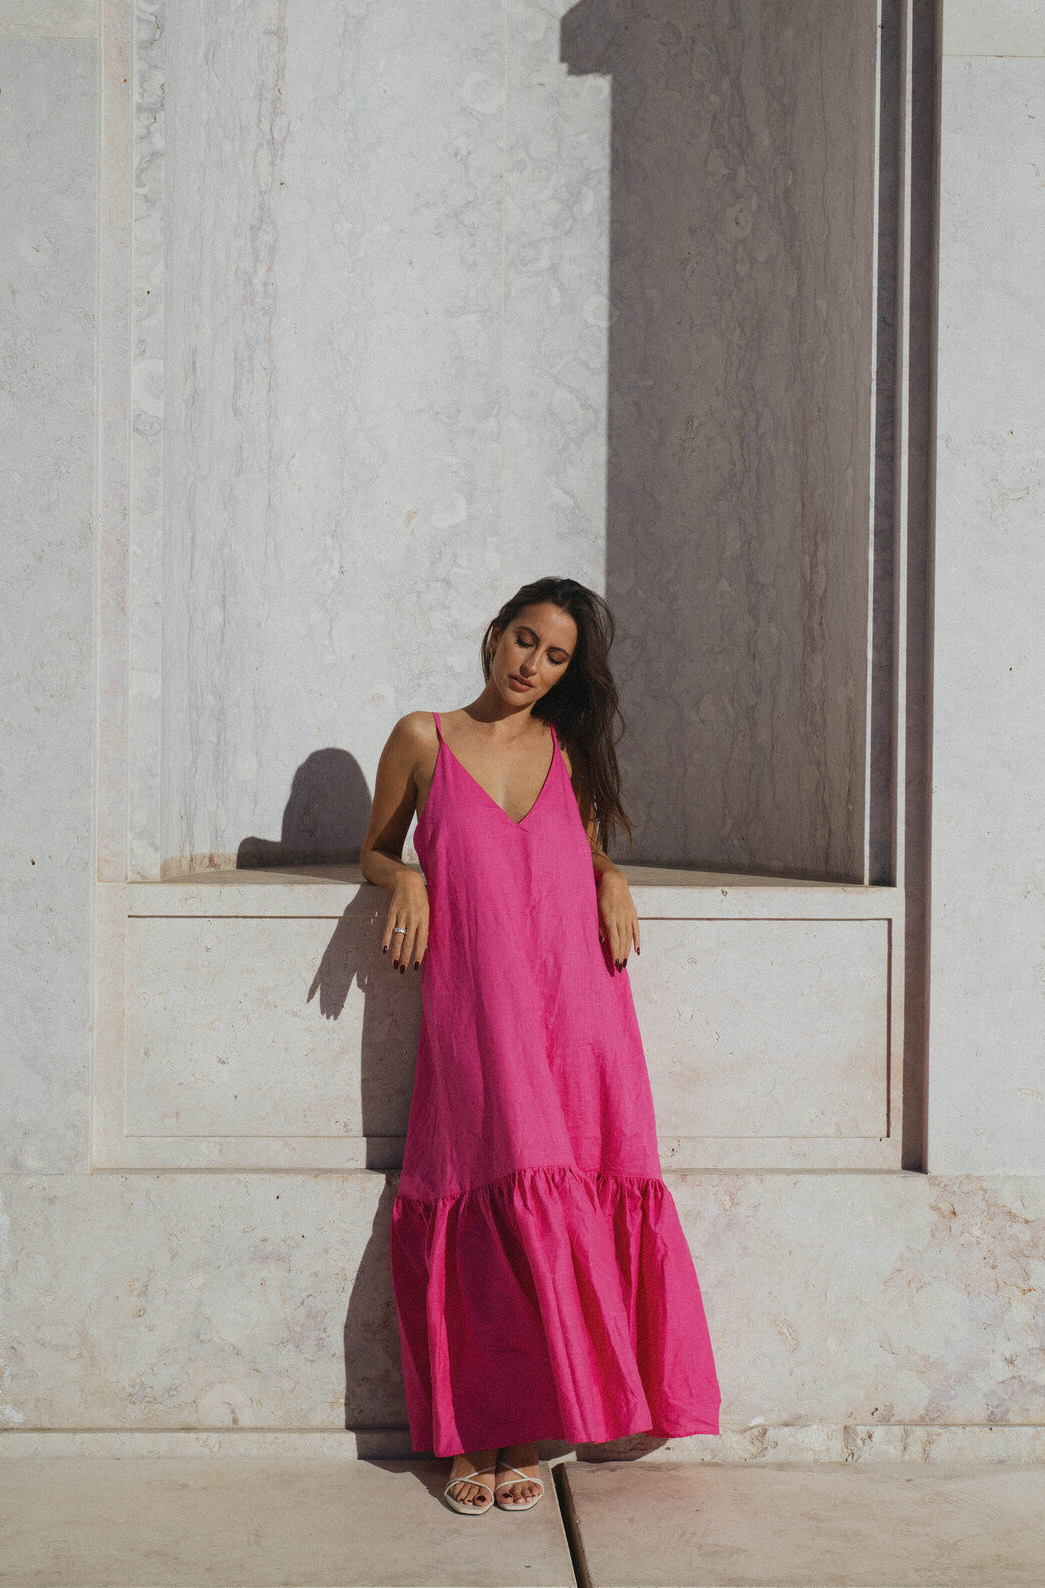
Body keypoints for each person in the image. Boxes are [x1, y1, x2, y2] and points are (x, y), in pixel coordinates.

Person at [359, 577, 721, 1515]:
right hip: (481, 1003)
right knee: (492, 1185)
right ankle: (477, 1430)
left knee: (573, 1182)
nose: (531, 665)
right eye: (524, 640)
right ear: (494, 635)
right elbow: (377, 843)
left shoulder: (565, 751)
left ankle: (527, 1429)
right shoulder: (422, 737)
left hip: (576, 1006)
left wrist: (610, 874)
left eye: (554, 656)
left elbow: (578, 844)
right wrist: (399, 878)